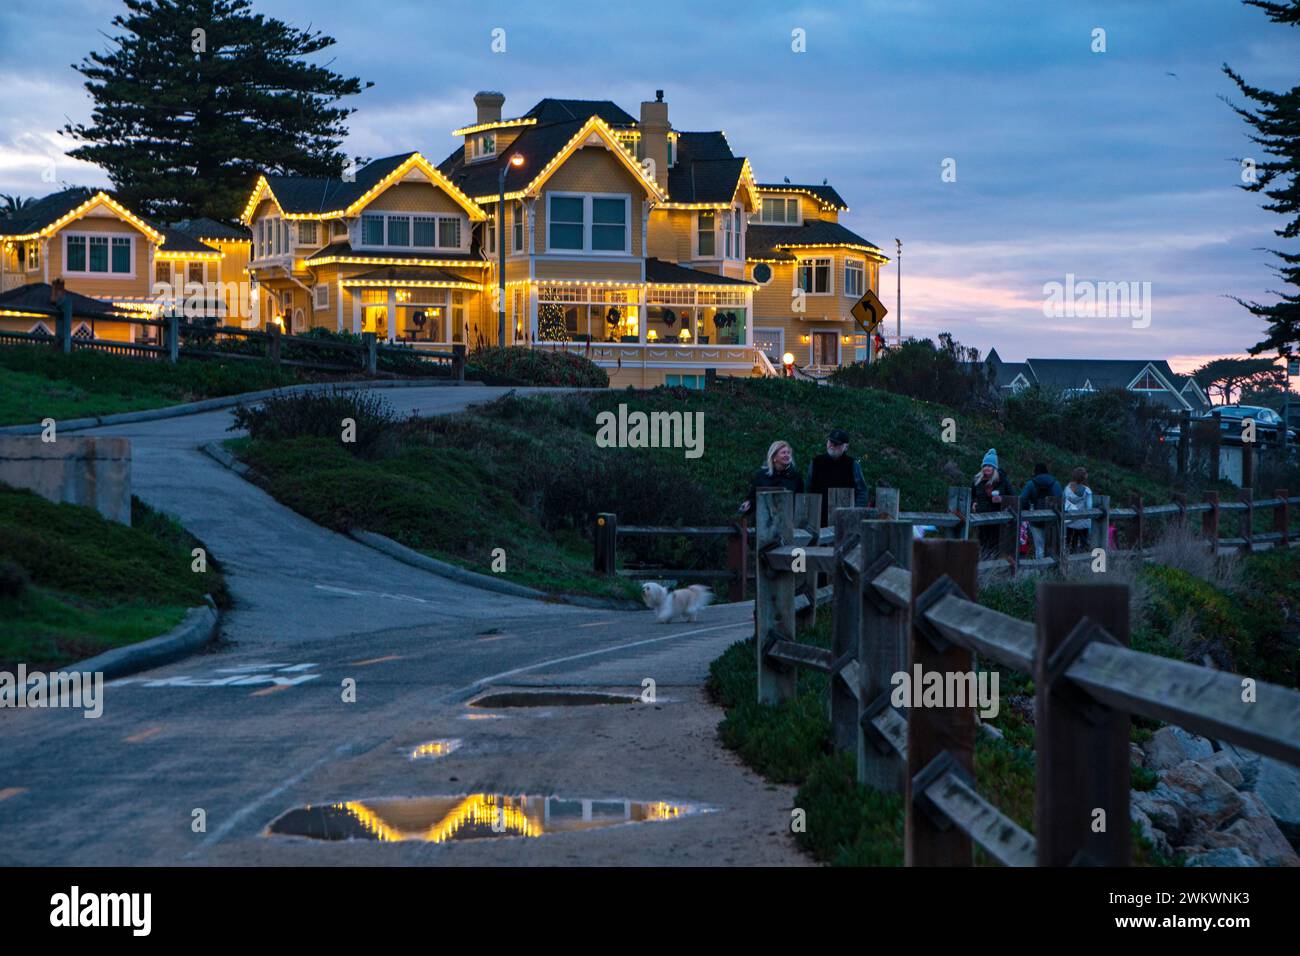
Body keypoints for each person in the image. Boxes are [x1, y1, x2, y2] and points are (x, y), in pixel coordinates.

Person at [805, 427, 868, 525]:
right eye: (831, 442)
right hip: (818, 518)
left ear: (845, 447)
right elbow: (808, 489)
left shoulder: (853, 464)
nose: (832, 446)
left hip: (845, 519)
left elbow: (862, 491)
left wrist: (854, 513)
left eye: (837, 444)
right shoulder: (816, 462)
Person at [739, 439, 804, 516]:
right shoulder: (761, 475)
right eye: (783, 453)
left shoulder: (795, 476)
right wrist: (748, 503)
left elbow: (800, 500)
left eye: (788, 453)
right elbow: (752, 497)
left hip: (787, 520)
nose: (787, 455)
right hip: (764, 520)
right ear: (774, 457)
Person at [971, 448, 1012, 558]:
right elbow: (972, 495)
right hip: (980, 518)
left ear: (994, 468)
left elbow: (1013, 497)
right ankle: (984, 568)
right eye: (985, 466)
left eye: (989, 466)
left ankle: (994, 568)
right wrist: (973, 502)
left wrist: (1002, 499)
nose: (986, 468)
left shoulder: (1002, 480)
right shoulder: (977, 480)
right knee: (982, 544)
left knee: (994, 544)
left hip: (997, 519)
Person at [1019, 462, 1063, 559]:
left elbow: (1022, 500)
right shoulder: (1056, 483)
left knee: (1039, 547)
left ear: (1035, 471)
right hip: (1053, 521)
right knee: (1053, 546)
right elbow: (1061, 500)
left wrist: (1026, 511)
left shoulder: (1031, 483)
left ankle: (1040, 570)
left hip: (1036, 520)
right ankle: (1053, 569)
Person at [1063, 467, 1094, 554]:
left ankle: (1069, 565)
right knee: (1084, 545)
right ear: (1084, 477)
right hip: (1084, 522)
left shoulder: (1067, 489)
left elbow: (1064, 503)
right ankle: (1082, 565)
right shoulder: (1087, 491)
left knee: (1070, 545)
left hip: (1070, 521)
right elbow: (1089, 507)